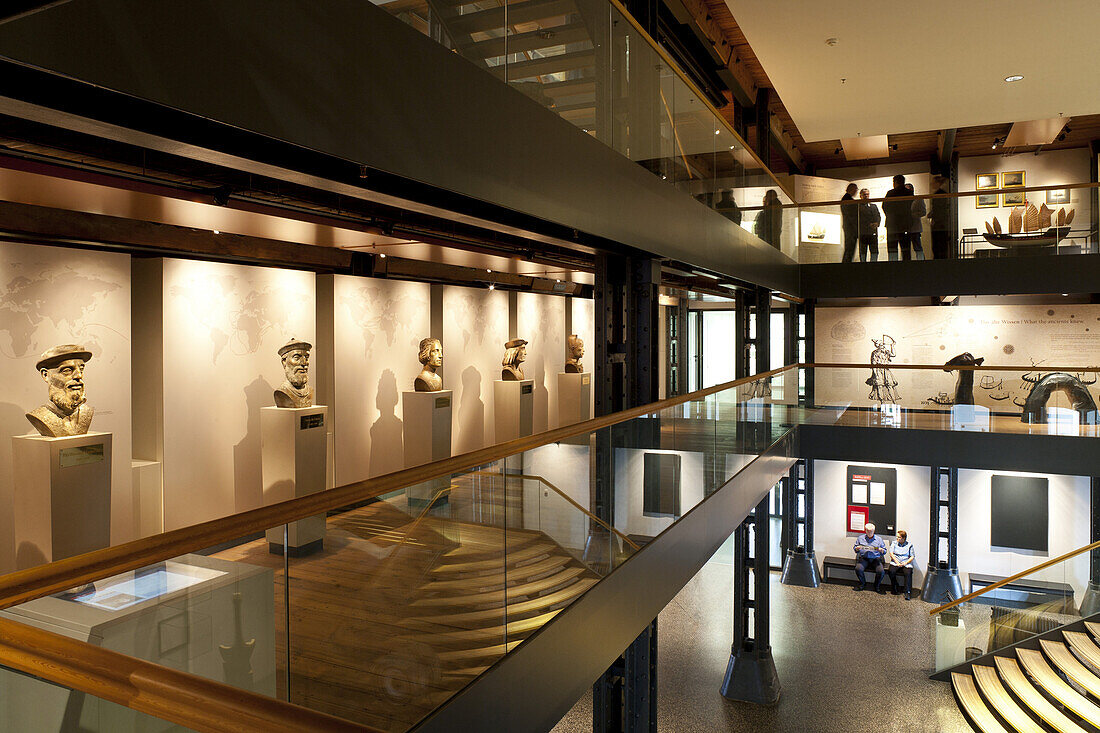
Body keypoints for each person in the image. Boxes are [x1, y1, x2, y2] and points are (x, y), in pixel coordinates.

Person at [883, 174, 911, 261]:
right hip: (905, 224)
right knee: (906, 249)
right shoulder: (909, 193)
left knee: (892, 249)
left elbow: (885, 206)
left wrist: (890, 216)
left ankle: (892, 268)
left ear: (895, 182)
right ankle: (907, 268)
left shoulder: (890, 193)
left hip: (892, 224)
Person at [853, 522, 887, 592]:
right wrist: (857, 548)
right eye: (868, 531)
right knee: (858, 569)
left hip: (875, 559)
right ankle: (863, 583)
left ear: (874, 531)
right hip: (864, 558)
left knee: (881, 571)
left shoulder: (879, 539)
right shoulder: (860, 538)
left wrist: (881, 550)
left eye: (871, 531)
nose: (869, 533)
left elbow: (885, 551)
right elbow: (855, 549)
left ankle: (876, 585)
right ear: (865, 530)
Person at [927, 175, 952, 259]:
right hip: (941, 224)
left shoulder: (939, 195)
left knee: (938, 246)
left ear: (938, 183)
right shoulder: (942, 194)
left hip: (940, 225)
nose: (931, 184)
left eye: (933, 183)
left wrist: (934, 217)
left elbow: (939, 210)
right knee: (940, 246)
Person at [887, 530, 916, 600]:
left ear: (903, 538)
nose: (897, 538)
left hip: (905, 562)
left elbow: (912, 556)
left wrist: (905, 563)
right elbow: (891, 554)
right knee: (891, 571)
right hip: (896, 562)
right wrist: (897, 562)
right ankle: (895, 586)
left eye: (899, 537)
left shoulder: (909, 545)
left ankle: (907, 591)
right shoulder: (894, 543)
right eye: (897, 537)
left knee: (908, 573)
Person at [857, 188, 880, 262]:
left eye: (867, 194)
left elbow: (878, 216)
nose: (866, 196)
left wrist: (877, 223)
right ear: (860, 196)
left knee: (874, 252)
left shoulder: (874, 206)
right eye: (864, 194)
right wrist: (868, 225)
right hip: (863, 233)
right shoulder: (858, 207)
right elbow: (858, 219)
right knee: (863, 252)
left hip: (873, 233)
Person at [840, 182, 859, 263]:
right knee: (850, 247)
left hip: (850, 227)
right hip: (851, 227)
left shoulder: (846, 198)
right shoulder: (847, 199)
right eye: (856, 189)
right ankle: (846, 264)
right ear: (851, 189)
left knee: (849, 247)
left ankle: (847, 263)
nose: (856, 191)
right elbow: (851, 215)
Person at [906, 183, 925, 260]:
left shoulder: (918, 199)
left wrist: (912, 215)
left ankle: (921, 263)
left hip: (915, 228)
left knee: (917, 248)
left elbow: (923, 212)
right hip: (905, 228)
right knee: (906, 249)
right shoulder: (903, 200)